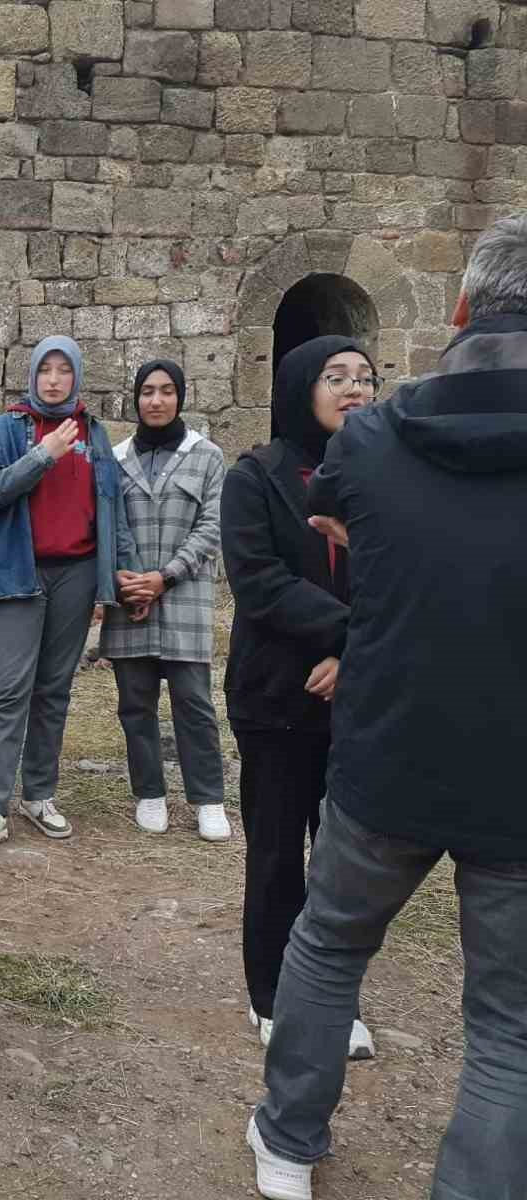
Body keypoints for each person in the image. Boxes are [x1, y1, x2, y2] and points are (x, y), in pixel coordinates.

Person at [248, 219, 527, 1200]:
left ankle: (285, 1146)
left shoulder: (371, 441)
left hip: (389, 746)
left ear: (458, 311)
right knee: (505, 1025)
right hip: (515, 777)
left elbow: (342, 521)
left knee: (327, 948)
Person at [221, 335, 377, 1062]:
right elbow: (258, 580)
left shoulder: (385, 475)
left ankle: (333, 999)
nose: (354, 388)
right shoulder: (256, 476)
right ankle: (273, 995)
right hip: (279, 694)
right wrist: (348, 632)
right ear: (298, 388)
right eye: (335, 377)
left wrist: (353, 653)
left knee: (346, 863)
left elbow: (409, 570)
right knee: (280, 852)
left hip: (359, 695)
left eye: (365, 377)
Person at [0, 335, 141, 854]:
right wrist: (42, 455)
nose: (55, 379)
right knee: (10, 690)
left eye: (65, 370)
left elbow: (112, 507)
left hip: (78, 573)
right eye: (46, 369)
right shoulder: (7, 428)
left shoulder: (96, 432)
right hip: (20, 571)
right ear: (33, 375)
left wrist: (124, 572)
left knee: (54, 689)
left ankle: (38, 794)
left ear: (77, 377)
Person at [100, 360, 231, 842]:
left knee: (193, 703)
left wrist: (165, 576)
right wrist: (124, 581)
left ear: (181, 397)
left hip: (183, 597)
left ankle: (208, 797)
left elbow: (212, 526)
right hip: (129, 597)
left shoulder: (207, 455)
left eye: (166, 391)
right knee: (135, 704)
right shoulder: (115, 460)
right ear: (135, 399)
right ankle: (149, 792)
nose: (156, 400)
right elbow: (107, 525)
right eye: (147, 391)